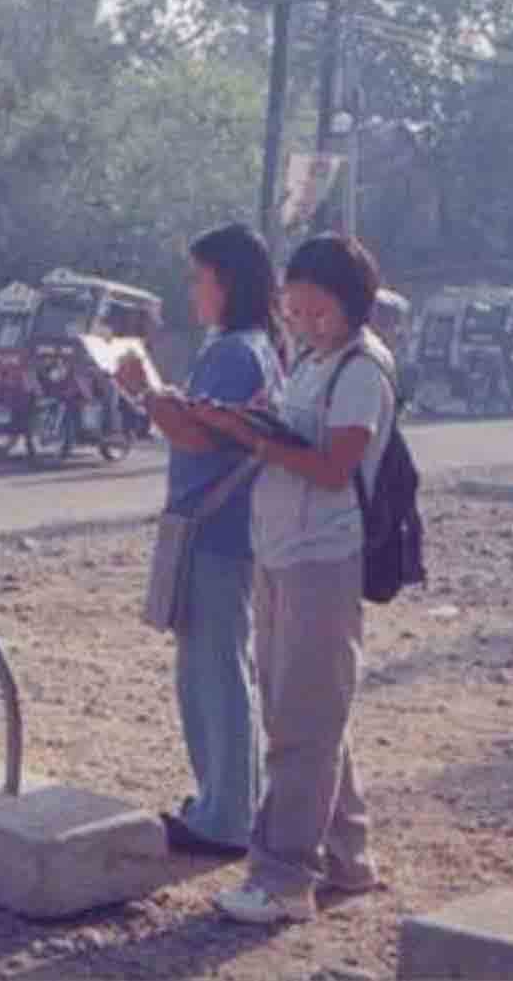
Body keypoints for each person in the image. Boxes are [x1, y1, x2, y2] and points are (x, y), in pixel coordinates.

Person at [189, 232, 394, 925]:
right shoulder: (313, 360)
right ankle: (348, 854)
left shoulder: (361, 369)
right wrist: (249, 423)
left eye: (318, 314)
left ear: (351, 305)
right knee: (310, 711)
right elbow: (293, 437)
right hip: (280, 552)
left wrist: (254, 438)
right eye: (297, 313)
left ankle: (282, 879)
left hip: (321, 560)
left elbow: (335, 466)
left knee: (301, 724)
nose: (305, 326)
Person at [115, 222, 285, 860]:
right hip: (227, 529)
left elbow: (195, 436)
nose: (193, 289)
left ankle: (225, 814)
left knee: (214, 671)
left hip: (215, 531)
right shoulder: (255, 347)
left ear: (227, 281)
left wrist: (140, 390)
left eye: (199, 276)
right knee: (217, 667)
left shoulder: (235, 351)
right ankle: (224, 801)